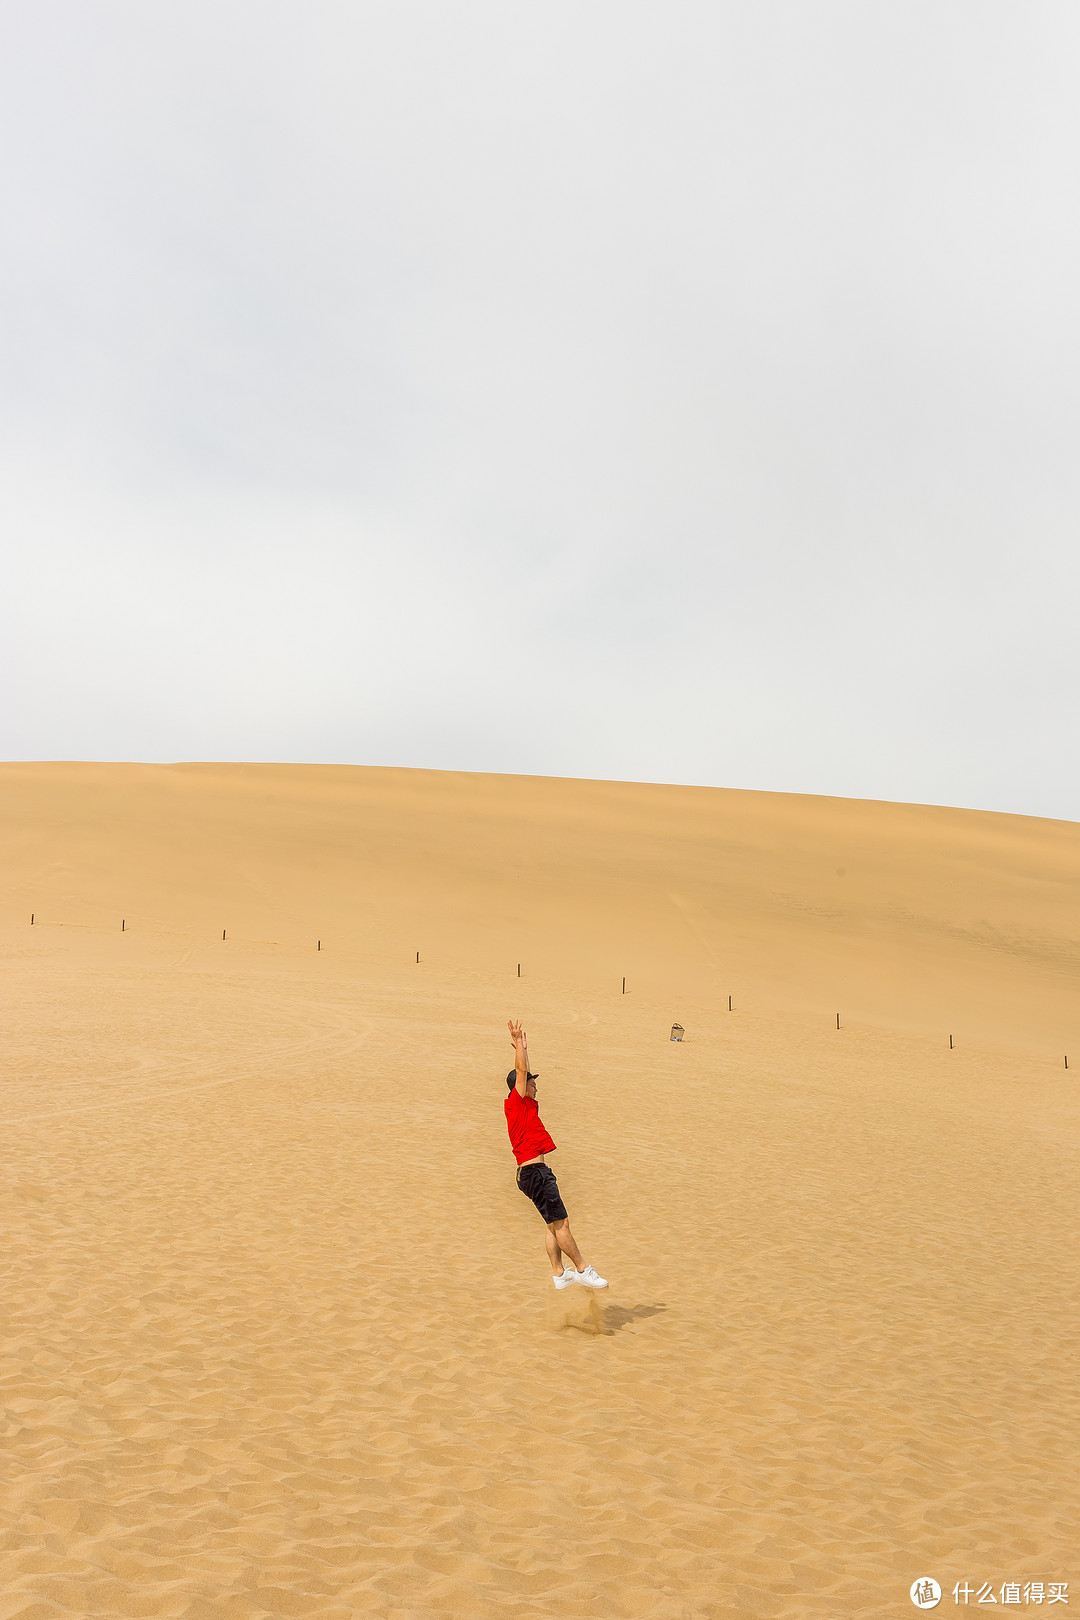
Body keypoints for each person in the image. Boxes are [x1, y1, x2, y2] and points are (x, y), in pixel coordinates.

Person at [504, 1019, 608, 1290]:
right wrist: (518, 1046)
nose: (536, 1086)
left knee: (553, 1224)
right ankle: (583, 1269)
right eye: (532, 1083)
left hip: (531, 1173)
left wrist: (525, 1048)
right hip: (534, 1173)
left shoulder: (525, 1107)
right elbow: (521, 1070)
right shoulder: (517, 1102)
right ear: (522, 1086)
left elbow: (524, 1069)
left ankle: (559, 1273)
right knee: (561, 1224)